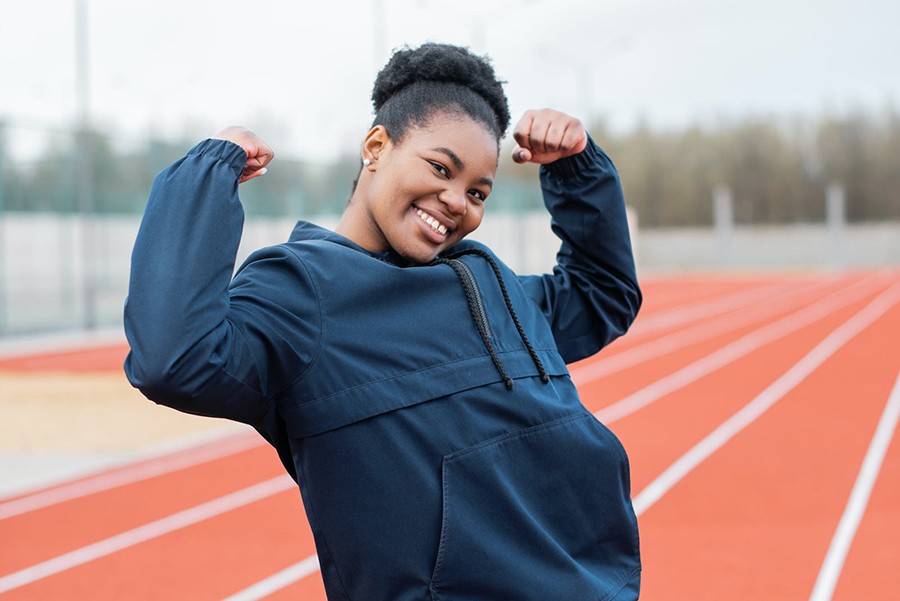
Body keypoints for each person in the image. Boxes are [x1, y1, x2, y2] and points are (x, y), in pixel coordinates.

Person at [124, 42, 642, 600]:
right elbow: (174, 361)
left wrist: (575, 167)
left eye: (477, 192)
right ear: (376, 146)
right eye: (440, 167)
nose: (456, 201)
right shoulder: (300, 291)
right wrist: (206, 172)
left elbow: (601, 296)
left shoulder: (490, 283)